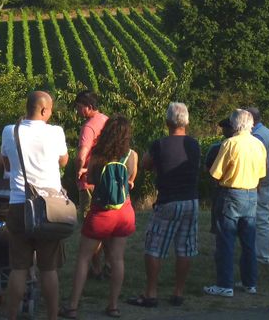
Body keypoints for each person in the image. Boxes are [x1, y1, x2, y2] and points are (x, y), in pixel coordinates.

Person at [0, 91, 69, 320]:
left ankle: (11, 316)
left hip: (19, 204)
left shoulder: (10, 131)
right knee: (49, 269)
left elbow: (6, 162)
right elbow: (64, 160)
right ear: (44, 110)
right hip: (49, 206)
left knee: (19, 268)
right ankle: (52, 316)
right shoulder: (56, 132)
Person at [64, 114, 137, 318]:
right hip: (124, 210)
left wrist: (86, 172)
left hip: (101, 212)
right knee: (117, 259)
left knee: (84, 258)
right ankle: (113, 305)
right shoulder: (131, 155)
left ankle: (72, 306)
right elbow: (131, 179)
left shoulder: (97, 155)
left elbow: (93, 180)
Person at [129, 101, 200, 308]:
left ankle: (151, 293)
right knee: (185, 248)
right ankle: (178, 292)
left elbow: (145, 165)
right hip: (191, 200)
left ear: (168, 121)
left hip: (168, 200)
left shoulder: (159, 144)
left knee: (155, 246)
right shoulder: (194, 144)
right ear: (186, 121)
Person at [204, 108, 266, 298]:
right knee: (248, 242)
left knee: (226, 240)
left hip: (230, 193)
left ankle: (225, 284)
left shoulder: (230, 143)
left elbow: (216, 173)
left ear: (234, 124)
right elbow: (262, 173)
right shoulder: (259, 144)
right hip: (251, 194)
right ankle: (250, 282)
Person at [73, 91, 110, 279]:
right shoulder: (107, 120)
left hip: (89, 180)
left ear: (87, 106)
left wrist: (79, 169)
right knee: (107, 223)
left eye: (79, 106)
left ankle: (95, 268)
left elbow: (82, 154)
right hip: (107, 178)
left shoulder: (88, 127)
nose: (77, 111)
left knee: (90, 225)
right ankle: (109, 264)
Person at [249, 106, 269, 265]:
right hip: (266, 180)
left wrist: (257, 184)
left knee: (260, 219)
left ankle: (262, 255)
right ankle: (260, 253)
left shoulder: (257, 136)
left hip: (261, 181)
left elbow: (261, 163)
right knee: (261, 217)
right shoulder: (266, 132)